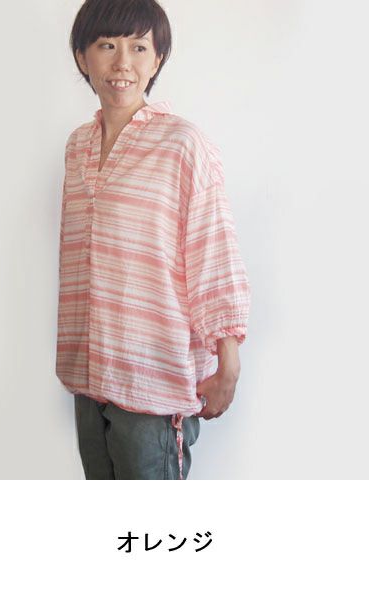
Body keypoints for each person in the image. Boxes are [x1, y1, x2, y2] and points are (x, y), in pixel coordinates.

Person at [56, 0, 251, 479]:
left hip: (153, 381)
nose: (123, 63)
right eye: (107, 46)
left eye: (139, 48)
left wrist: (227, 362)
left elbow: (213, 250)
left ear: (158, 58)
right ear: (82, 57)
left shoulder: (182, 143)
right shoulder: (78, 145)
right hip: (88, 375)